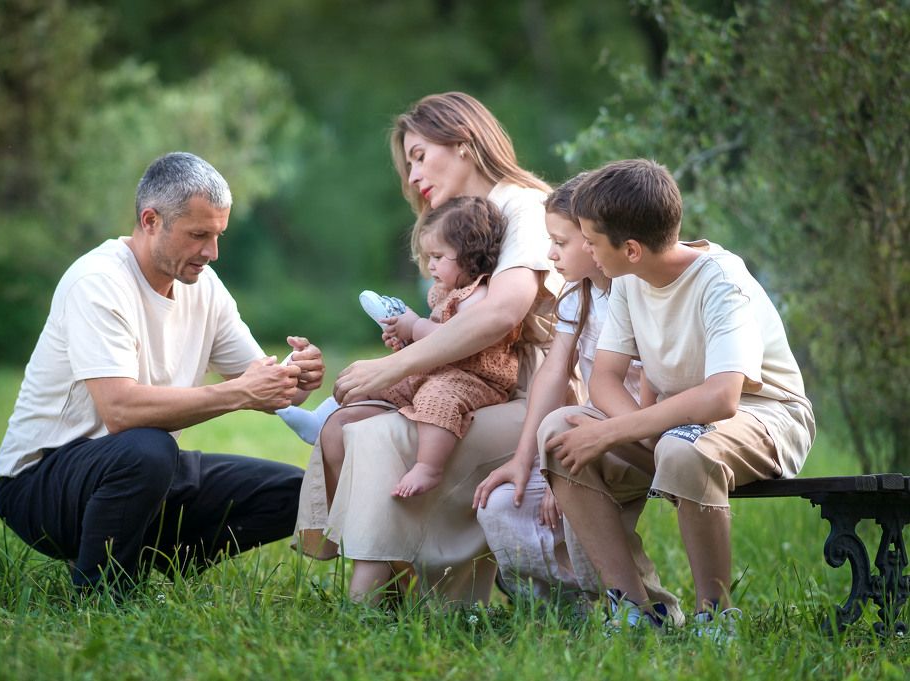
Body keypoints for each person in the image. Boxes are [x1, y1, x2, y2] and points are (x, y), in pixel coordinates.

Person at [0, 151, 325, 595]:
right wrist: (241, 394)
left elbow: (260, 383)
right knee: (147, 449)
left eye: (218, 235)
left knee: (294, 493)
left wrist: (294, 376)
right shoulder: (97, 281)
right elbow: (120, 411)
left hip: (142, 469)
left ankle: (147, 552)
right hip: (41, 481)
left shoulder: (204, 286)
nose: (211, 252)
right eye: (198, 235)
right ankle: (102, 592)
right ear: (151, 221)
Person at [294, 91, 563, 603]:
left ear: (463, 142)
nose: (413, 176)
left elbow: (501, 314)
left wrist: (391, 365)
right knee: (336, 430)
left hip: (528, 392)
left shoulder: (523, 206)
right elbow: (452, 323)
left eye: (419, 156)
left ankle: (413, 594)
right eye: (408, 165)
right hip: (468, 380)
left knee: (373, 435)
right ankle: (398, 585)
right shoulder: (461, 222)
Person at [541, 159, 815, 632]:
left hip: (766, 417)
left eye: (590, 239)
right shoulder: (630, 280)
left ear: (630, 248)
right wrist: (644, 436)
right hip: (678, 424)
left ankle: (716, 614)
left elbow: (722, 397)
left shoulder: (721, 281)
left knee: (682, 448)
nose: (584, 248)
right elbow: (605, 378)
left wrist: (620, 432)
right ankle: (638, 609)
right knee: (560, 430)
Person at [472, 176, 681, 623]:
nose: (551, 254)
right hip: (591, 429)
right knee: (501, 502)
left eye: (561, 242)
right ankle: (565, 608)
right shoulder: (578, 296)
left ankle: (644, 607)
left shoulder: (639, 295)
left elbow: (654, 387)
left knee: (568, 484)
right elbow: (552, 373)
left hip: (643, 434)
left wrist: (562, 469)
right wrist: (527, 459)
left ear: (593, 242)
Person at [333, 196, 521, 499]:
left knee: (438, 397)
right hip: (438, 369)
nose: (430, 265)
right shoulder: (443, 292)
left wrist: (415, 327)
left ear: (470, 254)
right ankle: (322, 419)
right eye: (428, 256)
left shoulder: (479, 294)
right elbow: (433, 341)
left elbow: (456, 338)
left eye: (437, 256)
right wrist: (406, 339)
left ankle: (429, 467)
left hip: (474, 378)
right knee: (375, 381)